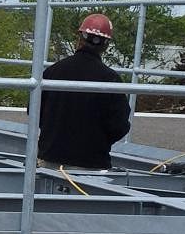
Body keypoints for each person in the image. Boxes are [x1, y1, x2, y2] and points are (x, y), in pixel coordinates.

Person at [37, 12, 130, 170]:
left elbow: (35, 112)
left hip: (50, 159)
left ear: (80, 38)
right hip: (92, 164)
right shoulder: (110, 80)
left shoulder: (53, 72)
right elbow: (119, 126)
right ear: (106, 45)